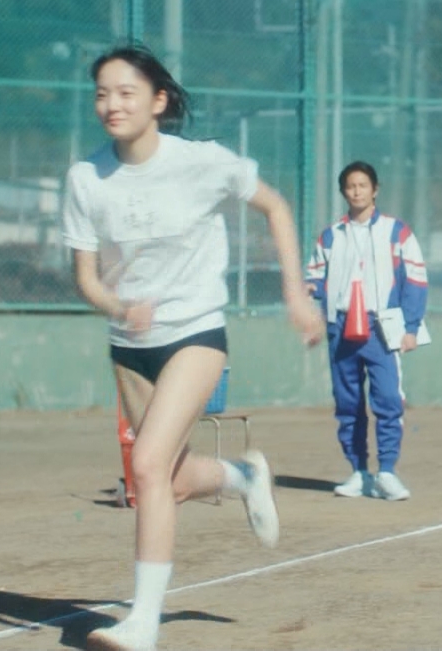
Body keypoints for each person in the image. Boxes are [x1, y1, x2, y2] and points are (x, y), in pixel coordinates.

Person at [61, 44, 324, 651]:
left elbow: (275, 206)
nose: (111, 104)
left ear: (158, 101)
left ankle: (142, 622)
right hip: (130, 345)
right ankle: (242, 475)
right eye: (101, 93)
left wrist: (295, 293)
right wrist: (119, 308)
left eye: (126, 92)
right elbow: (86, 279)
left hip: (195, 334)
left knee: (146, 467)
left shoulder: (201, 162)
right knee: (169, 480)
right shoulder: (85, 179)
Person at [305, 161, 428, 502]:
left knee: (388, 398)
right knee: (348, 403)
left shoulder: (397, 232)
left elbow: (416, 280)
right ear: (343, 192)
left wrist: (410, 328)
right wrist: (313, 305)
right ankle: (359, 472)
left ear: (375, 190)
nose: (356, 191)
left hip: (382, 328)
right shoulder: (331, 235)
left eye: (362, 185)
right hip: (341, 327)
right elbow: (313, 277)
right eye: (350, 186)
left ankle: (387, 471)